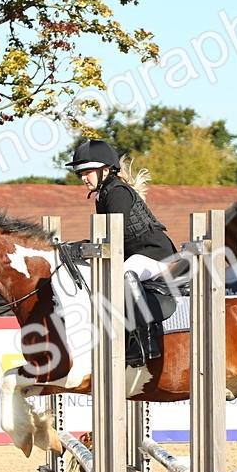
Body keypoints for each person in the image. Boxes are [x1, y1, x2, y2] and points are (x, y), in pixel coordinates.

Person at [66, 139, 178, 366]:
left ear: (105, 170)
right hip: (137, 253)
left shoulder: (117, 191)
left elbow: (112, 236)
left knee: (124, 275)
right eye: (81, 174)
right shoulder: (103, 193)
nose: (83, 178)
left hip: (154, 253)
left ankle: (146, 341)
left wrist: (82, 247)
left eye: (88, 172)